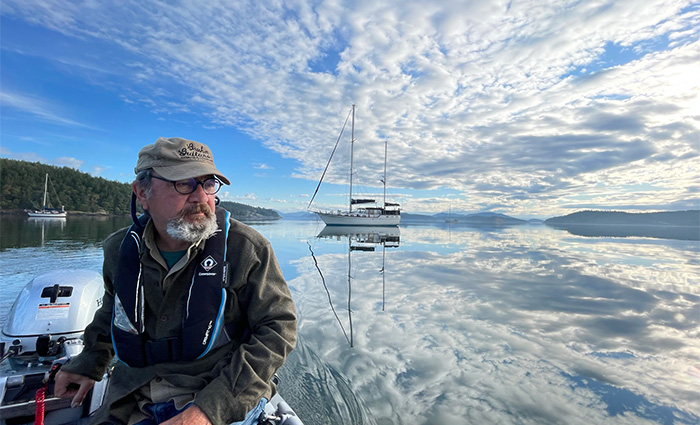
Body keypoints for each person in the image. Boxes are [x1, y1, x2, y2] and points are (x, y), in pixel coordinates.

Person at [54, 137, 297, 425]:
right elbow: (115, 313)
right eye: (184, 183)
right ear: (142, 192)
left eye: (208, 184)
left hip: (217, 393)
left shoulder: (247, 249)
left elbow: (278, 330)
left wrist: (208, 411)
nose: (200, 197)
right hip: (135, 394)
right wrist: (89, 363)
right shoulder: (119, 250)